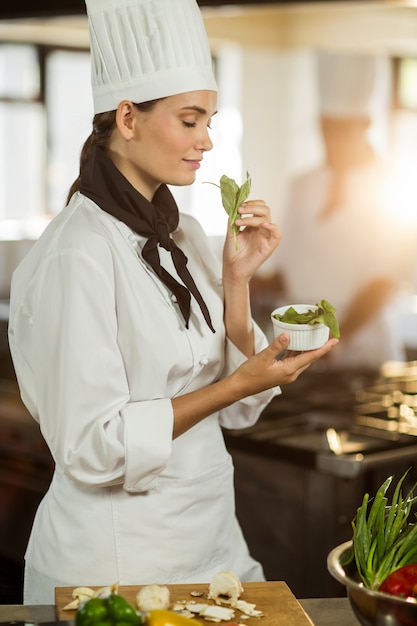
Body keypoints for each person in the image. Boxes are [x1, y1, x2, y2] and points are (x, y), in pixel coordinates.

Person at [7, 0, 337, 605]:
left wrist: (236, 282)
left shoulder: (182, 232)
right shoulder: (75, 255)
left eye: (209, 120)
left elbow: (233, 409)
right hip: (114, 561)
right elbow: (94, 446)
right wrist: (237, 386)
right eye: (190, 121)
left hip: (210, 542)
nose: (207, 141)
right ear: (128, 118)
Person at [253, 51, 412, 370]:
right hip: (301, 351)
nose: (331, 139)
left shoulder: (394, 187)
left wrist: (335, 338)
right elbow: (286, 273)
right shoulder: (302, 184)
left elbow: (384, 283)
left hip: (365, 355)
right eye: (325, 128)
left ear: (365, 125)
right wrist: (244, 282)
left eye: (341, 129)